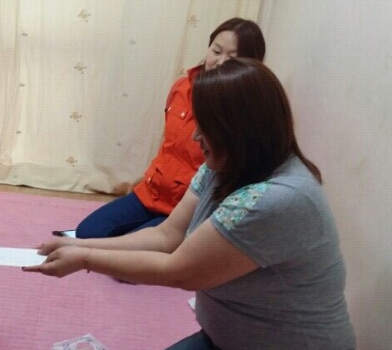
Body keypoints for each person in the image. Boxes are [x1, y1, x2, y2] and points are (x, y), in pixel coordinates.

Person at [24, 58, 357, 350]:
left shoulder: (278, 199)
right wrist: (77, 245)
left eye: (206, 127)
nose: (196, 137)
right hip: (226, 348)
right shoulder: (222, 168)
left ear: (239, 130)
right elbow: (166, 235)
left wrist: (85, 259)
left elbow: (177, 270)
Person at [70, 18, 265, 239]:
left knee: (132, 253)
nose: (220, 62)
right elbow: (169, 145)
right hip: (151, 192)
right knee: (87, 233)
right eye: (216, 51)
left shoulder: (245, 109)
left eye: (232, 58)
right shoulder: (182, 87)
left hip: (187, 207)